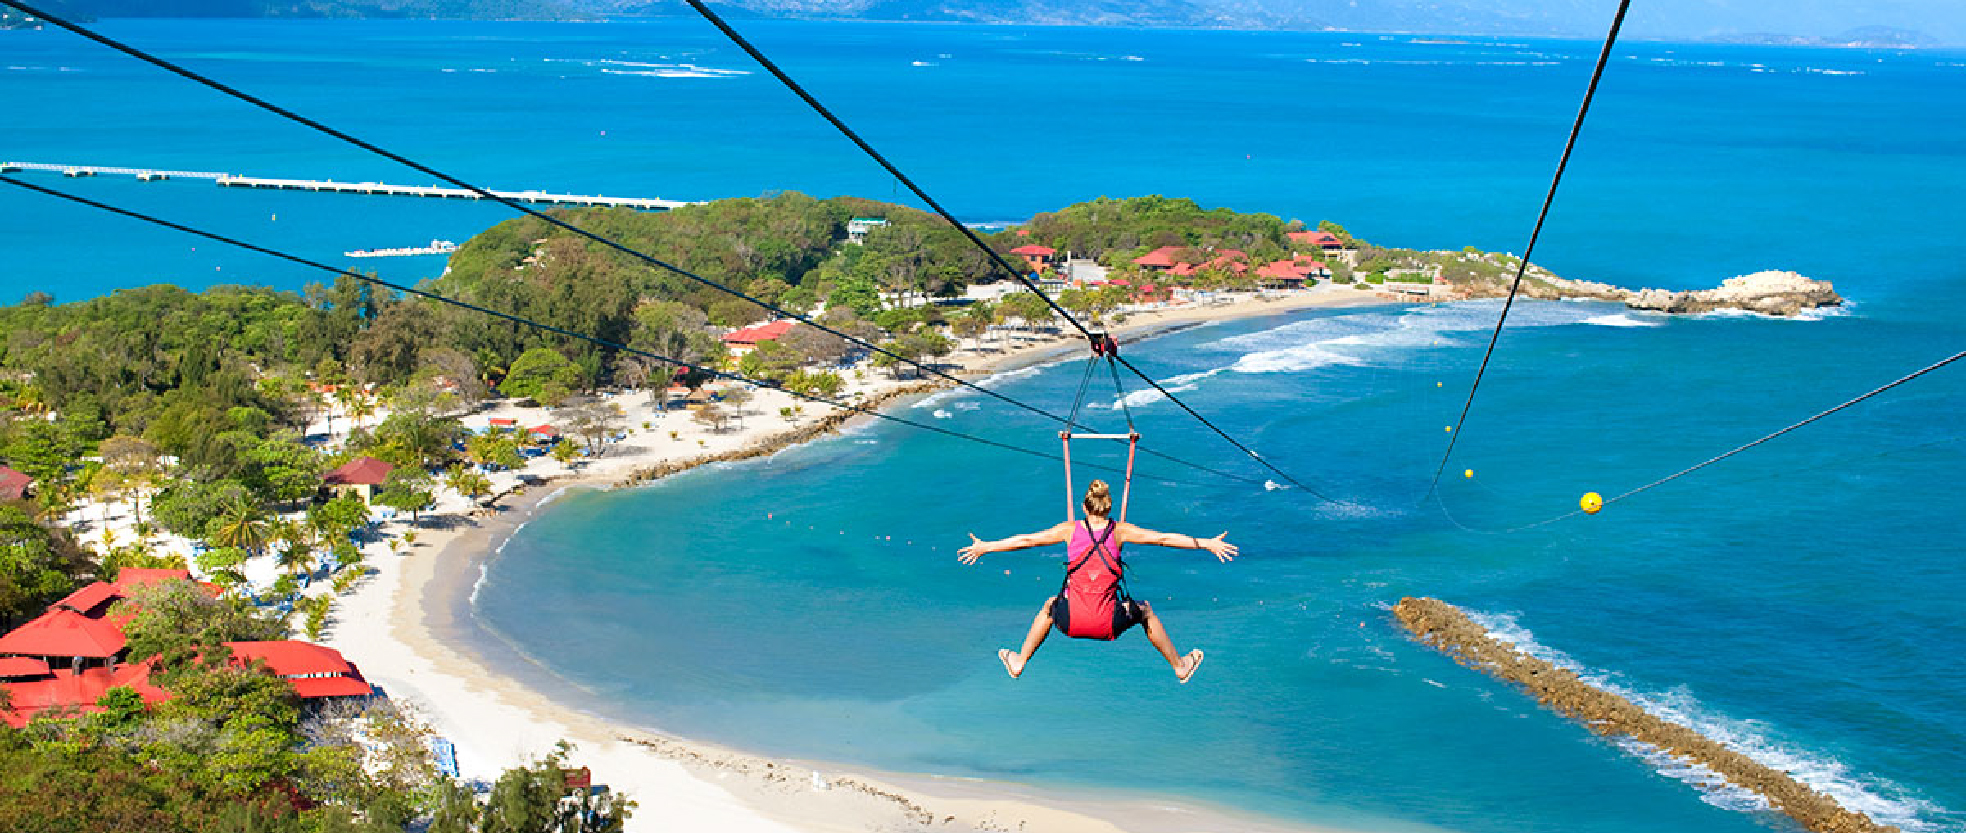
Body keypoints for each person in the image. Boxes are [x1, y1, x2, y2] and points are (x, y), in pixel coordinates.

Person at [958, 479, 1237, 682]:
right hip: (1109, 624)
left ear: (1084, 506)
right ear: (1109, 507)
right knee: (1146, 611)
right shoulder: (1121, 531)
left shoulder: (1069, 530)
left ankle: (1019, 660)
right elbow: (1164, 538)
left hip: (1070, 622)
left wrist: (986, 547)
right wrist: (1206, 543)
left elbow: (1027, 540)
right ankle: (1179, 665)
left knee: (1047, 607)